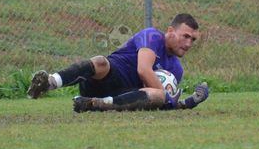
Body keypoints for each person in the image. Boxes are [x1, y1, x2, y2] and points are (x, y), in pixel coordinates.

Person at [27, 13, 209, 112]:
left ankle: (93, 104)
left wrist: (189, 102)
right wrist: (168, 99)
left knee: (157, 95)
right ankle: (49, 82)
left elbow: (159, 102)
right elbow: (143, 70)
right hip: (107, 77)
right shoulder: (152, 36)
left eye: (193, 39)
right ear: (170, 31)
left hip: (125, 95)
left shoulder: (176, 69)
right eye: (185, 36)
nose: (188, 44)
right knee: (100, 62)